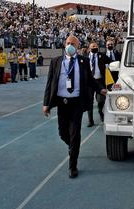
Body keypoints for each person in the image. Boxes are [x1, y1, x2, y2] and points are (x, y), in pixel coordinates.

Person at [42, 35, 107, 178]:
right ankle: (72, 146)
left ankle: (73, 166)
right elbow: (49, 84)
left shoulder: (84, 61)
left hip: (76, 103)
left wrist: (101, 89)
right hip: (62, 103)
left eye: (73, 43)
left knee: (75, 134)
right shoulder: (56, 62)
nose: (69, 45)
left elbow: (90, 80)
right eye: (67, 43)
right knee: (62, 133)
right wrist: (46, 104)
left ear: (77, 46)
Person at [86, 42, 109, 127]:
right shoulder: (85, 57)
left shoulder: (102, 55)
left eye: (95, 46)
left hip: (100, 81)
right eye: (92, 46)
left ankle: (100, 111)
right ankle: (90, 120)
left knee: (101, 100)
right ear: (89, 48)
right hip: (89, 82)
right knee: (89, 102)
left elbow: (111, 61)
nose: (94, 47)